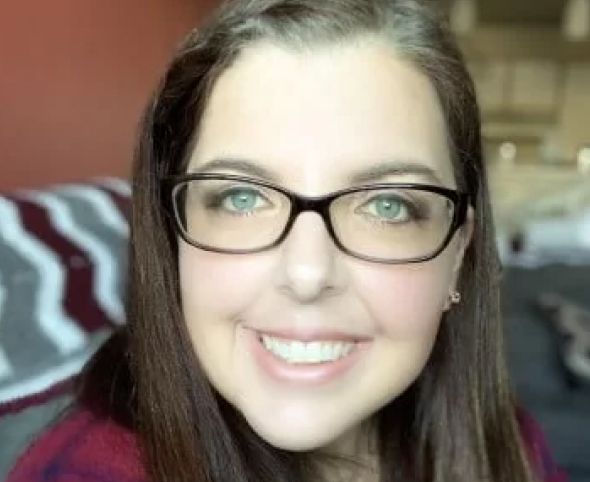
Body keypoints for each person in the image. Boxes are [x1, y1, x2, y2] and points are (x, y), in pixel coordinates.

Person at [6, 1, 567, 481]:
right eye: (242, 198)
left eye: (387, 205)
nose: (306, 274)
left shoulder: (507, 442)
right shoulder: (85, 470)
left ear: (458, 252)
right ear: (170, 236)